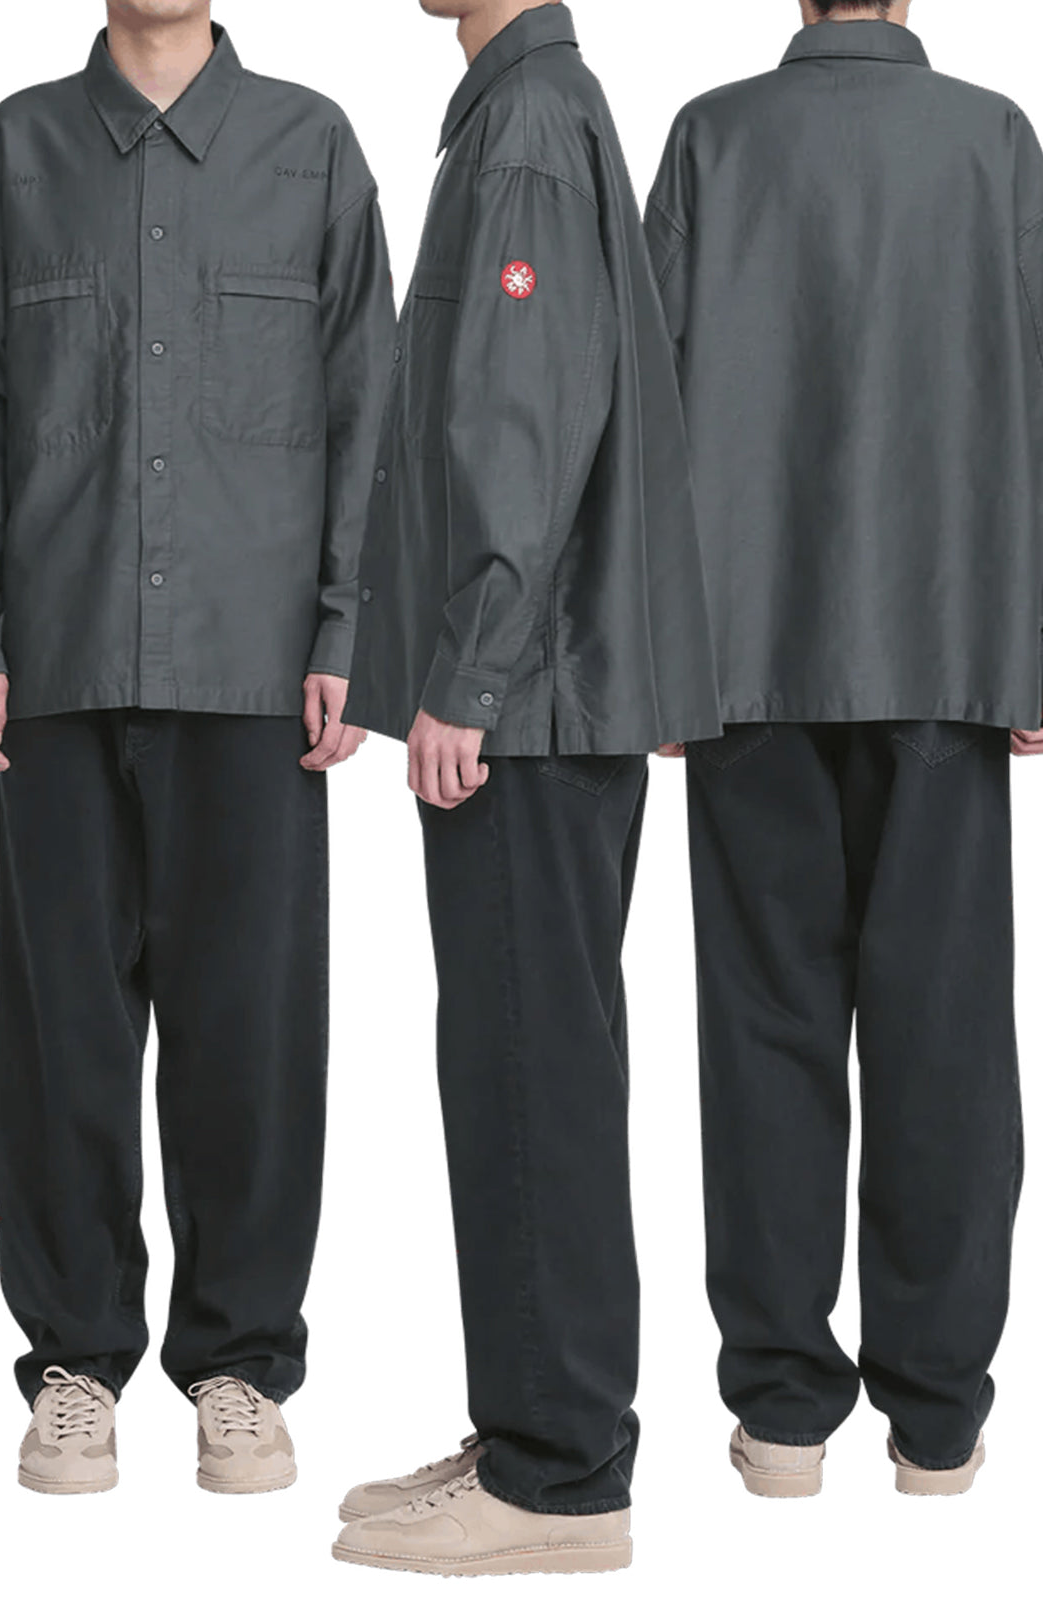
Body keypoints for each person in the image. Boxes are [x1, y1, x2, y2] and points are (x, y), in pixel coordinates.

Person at [0, 0, 394, 1494]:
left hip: (255, 673)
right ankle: (74, 1365)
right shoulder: (18, 148)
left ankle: (239, 1367)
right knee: (61, 1041)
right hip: (61, 662)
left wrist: (349, 629)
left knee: (250, 1040)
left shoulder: (313, 147)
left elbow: (369, 405)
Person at [334, 0, 720, 1578]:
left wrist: (470, 673)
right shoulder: (524, 111)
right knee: (521, 1059)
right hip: (548, 697)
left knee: (528, 1066)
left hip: (533, 703)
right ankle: (530, 1430)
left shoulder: (529, 126)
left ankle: (560, 1479)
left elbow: (524, 420)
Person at [646, 0, 1043, 1499]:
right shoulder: (992, 140)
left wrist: (655, 655)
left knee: (766, 1031)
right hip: (949, 647)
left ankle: (784, 1413)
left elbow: (646, 403)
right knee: (946, 1035)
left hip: (746, 658)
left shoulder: (713, 137)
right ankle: (937, 1419)